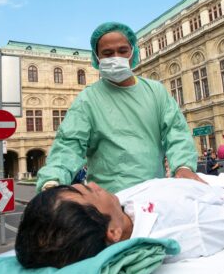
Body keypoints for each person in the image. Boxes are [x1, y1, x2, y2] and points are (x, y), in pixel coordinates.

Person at [36, 22, 199, 194]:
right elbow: (69, 143)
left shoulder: (156, 92)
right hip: (109, 203)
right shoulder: (88, 100)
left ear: (133, 52)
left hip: (153, 196)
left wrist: (183, 166)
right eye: (107, 53)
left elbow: (177, 132)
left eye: (122, 51)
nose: (116, 57)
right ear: (97, 58)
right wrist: (52, 181)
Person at [15, 178, 224, 268]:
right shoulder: (189, 227)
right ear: (113, 232)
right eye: (91, 192)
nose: (95, 184)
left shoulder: (119, 208)